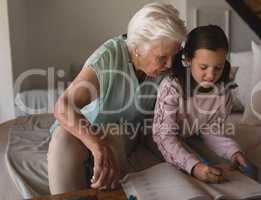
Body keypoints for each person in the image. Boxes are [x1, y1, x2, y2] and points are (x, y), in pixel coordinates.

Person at [47, 2, 186, 194]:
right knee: (63, 136)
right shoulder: (108, 57)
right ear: (137, 48)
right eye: (162, 57)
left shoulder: (170, 65)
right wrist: (96, 145)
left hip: (121, 133)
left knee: (112, 134)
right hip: (87, 127)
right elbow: (63, 106)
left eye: (174, 54)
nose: (169, 64)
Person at [152, 25, 248, 184]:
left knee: (221, 170)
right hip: (158, 139)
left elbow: (212, 130)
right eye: (203, 67)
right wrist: (194, 167)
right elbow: (164, 136)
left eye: (218, 68)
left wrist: (233, 151)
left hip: (189, 136)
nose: (211, 76)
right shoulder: (171, 88)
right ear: (188, 60)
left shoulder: (223, 93)